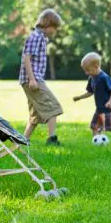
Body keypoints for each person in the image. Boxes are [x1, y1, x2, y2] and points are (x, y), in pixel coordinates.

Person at [19, 9, 64, 146]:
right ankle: (52, 139)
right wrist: (32, 79)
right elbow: (26, 58)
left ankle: (22, 141)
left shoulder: (41, 38)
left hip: (34, 79)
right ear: (47, 24)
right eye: (54, 28)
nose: (55, 31)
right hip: (33, 80)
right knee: (53, 107)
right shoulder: (36, 37)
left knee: (35, 115)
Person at [74, 52, 111, 143]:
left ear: (96, 66)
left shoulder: (104, 77)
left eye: (88, 70)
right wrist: (80, 97)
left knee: (110, 127)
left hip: (109, 108)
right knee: (94, 126)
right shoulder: (92, 78)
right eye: (85, 70)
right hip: (99, 109)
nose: (86, 73)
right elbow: (90, 92)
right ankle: (96, 143)